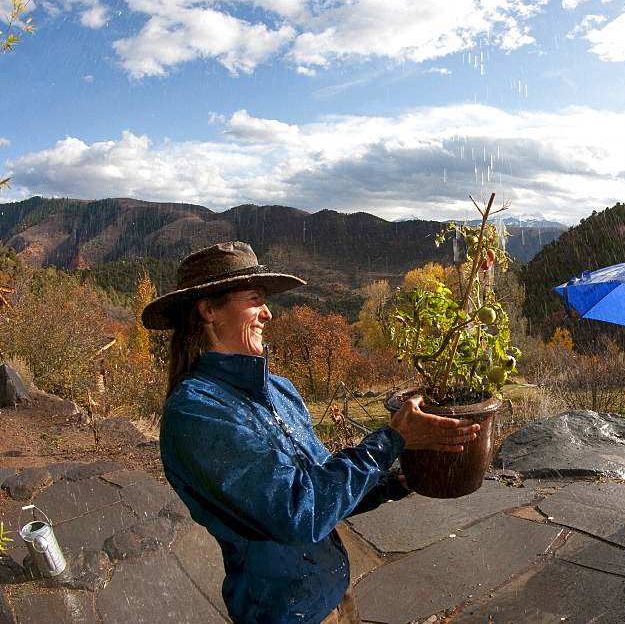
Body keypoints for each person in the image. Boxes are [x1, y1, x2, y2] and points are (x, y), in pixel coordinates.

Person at [141, 241, 480, 624]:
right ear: (208, 310)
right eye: (255, 299)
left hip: (333, 592)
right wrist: (390, 441)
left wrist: (395, 481)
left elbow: (322, 486)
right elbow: (297, 512)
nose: (268, 314)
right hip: (283, 611)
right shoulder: (198, 413)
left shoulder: (278, 389)